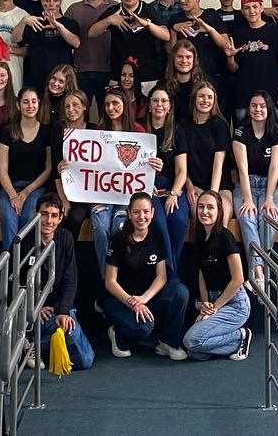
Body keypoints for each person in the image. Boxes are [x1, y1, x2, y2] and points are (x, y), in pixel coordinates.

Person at [103, 191, 191, 360]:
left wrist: (143, 299)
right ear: (129, 213)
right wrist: (133, 303)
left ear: (152, 213)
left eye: (145, 212)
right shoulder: (119, 239)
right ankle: (117, 335)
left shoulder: (157, 235)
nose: (141, 217)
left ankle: (168, 342)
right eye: (136, 212)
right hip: (121, 300)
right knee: (144, 327)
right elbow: (110, 282)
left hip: (145, 297)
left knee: (181, 292)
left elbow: (161, 277)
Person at [183, 190, 253, 362]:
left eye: (210, 207)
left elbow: (238, 279)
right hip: (213, 300)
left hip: (235, 304)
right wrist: (205, 303)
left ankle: (240, 335)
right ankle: (233, 342)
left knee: (191, 341)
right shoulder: (200, 236)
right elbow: (202, 274)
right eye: (201, 207)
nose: (204, 211)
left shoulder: (225, 236)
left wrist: (214, 308)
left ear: (219, 211)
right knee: (195, 352)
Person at [33, 193, 95, 371]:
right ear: (35, 214)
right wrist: (35, 307)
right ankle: (31, 343)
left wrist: (63, 311)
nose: (48, 220)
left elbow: (70, 279)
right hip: (35, 311)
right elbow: (15, 283)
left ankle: (37, 344)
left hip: (60, 307)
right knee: (39, 325)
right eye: (44, 214)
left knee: (85, 360)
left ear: (60, 218)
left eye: (54, 216)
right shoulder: (23, 240)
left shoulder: (65, 237)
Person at [232, 90, 278, 287]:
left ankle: (258, 271)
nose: (258, 109)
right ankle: (258, 271)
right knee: (247, 217)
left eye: (262, 106)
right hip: (246, 184)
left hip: (269, 185)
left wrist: (269, 198)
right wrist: (247, 199)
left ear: (269, 108)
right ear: (248, 109)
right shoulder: (241, 131)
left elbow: (274, 169)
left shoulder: (276, 132)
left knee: (268, 217)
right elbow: (242, 169)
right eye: (254, 106)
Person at [92, 0, 172, 86]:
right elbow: (92, 33)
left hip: (147, 76)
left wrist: (147, 24)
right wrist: (109, 20)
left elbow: (166, 35)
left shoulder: (149, 9)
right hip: (119, 75)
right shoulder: (113, 11)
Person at [0, 86, 52, 249]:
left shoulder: (46, 132)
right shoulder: (7, 132)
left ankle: (27, 261)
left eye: (33, 101)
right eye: (25, 102)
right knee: (8, 216)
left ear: (39, 103)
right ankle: (10, 262)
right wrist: (13, 196)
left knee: (29, 216)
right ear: (18, 105)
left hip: (36, 188)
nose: (30, 106)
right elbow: (2, 169)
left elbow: (48, 168)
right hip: (10, 187)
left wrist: (27, 192)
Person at [144, 87, 190, 274]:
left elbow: (182, 171)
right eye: (155, 100)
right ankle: (166, 275)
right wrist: (146, 182)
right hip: (148, 188)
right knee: (158, 223)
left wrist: (174, 194)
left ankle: (171, 272)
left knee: (178, 221)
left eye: (164, 101)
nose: (159, 105)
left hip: (173, 187)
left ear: (169, 106)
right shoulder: (139, 129)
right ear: (149, 105)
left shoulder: (177, 131)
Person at [227, 0, 278, 116]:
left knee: (272, 128)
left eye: (255, 7)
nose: (252, 11)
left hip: (271, 95)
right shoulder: (237, 35)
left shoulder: (275, 31)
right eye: (247, 8)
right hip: (244, 97)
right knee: (243, 128)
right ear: (242, 11)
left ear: (261, 8)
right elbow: (234, 69)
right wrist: (230, 57)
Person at [180, 81, 232, 223]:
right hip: (195, 185)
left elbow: (218, 164)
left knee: (220, 219)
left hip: (220, 186)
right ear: (194, 98)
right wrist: (189, 186)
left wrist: (212, 195)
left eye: (210, 97)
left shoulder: (221, 125)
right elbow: (181, 164)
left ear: (214, 100)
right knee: (202, 218)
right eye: (201, 96)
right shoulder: (183, 126)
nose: (205, 100)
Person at [171, 0, 231, 98]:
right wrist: (173, 29)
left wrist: (210, 30)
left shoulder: (211, 15)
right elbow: (171, 51)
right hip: (183, 78)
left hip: (210, 76)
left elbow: (226, 44)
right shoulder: (175, 18)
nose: (182, 0)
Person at [13, 0, 80, 88]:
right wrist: (23, 21)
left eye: (55, 0)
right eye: (47, 0)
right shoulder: (34, 21)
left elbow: (76, 43)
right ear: (41, 1)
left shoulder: (69, 23)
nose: (51, 4)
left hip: (62, 81)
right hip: (37, 80)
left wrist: (59, 26)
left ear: (60, 1)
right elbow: (15, 39)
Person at [48, 89, 93, 242]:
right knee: (56, 214)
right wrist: (63, 199)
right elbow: (55, 168)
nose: (71, 109)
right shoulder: (58, 128)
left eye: (75, 105)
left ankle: (68, 253)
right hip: (61, 187)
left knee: (75, 218)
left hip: (84, 193)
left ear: (85, 106)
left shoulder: (93, 129)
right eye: (67, 106)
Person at [66, 0, 114, 102]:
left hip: (109, 71)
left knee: (108, 110)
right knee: (80, 110)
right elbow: (65, 39)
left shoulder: (115, 7)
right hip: (81, 71)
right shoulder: (74, 9)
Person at [164, 38, 205, 122]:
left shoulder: (203, 85)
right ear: (173, 59)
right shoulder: (163, 85)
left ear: (194, 60)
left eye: (188, 57)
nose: (184, 61)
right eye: (180, 57)